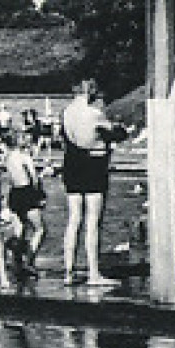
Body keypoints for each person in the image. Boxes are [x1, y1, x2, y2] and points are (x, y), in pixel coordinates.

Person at [59, 79, 123, 287]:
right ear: (89, 92)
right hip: (93, 164)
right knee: (93, 221)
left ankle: (68, 271)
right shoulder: (93, 114)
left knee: (73, 218)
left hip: (71, 163)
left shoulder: (66, 112)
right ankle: (93, 273)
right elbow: (115, 133)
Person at [1, 127, 46, 281]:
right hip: (26, 192)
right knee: (40, 229)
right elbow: (33, 177)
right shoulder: (23, 156)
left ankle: (17, 263)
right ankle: (29, 260)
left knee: (19, 229)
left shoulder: (7, 156)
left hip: (14, 193)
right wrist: (40, 194)